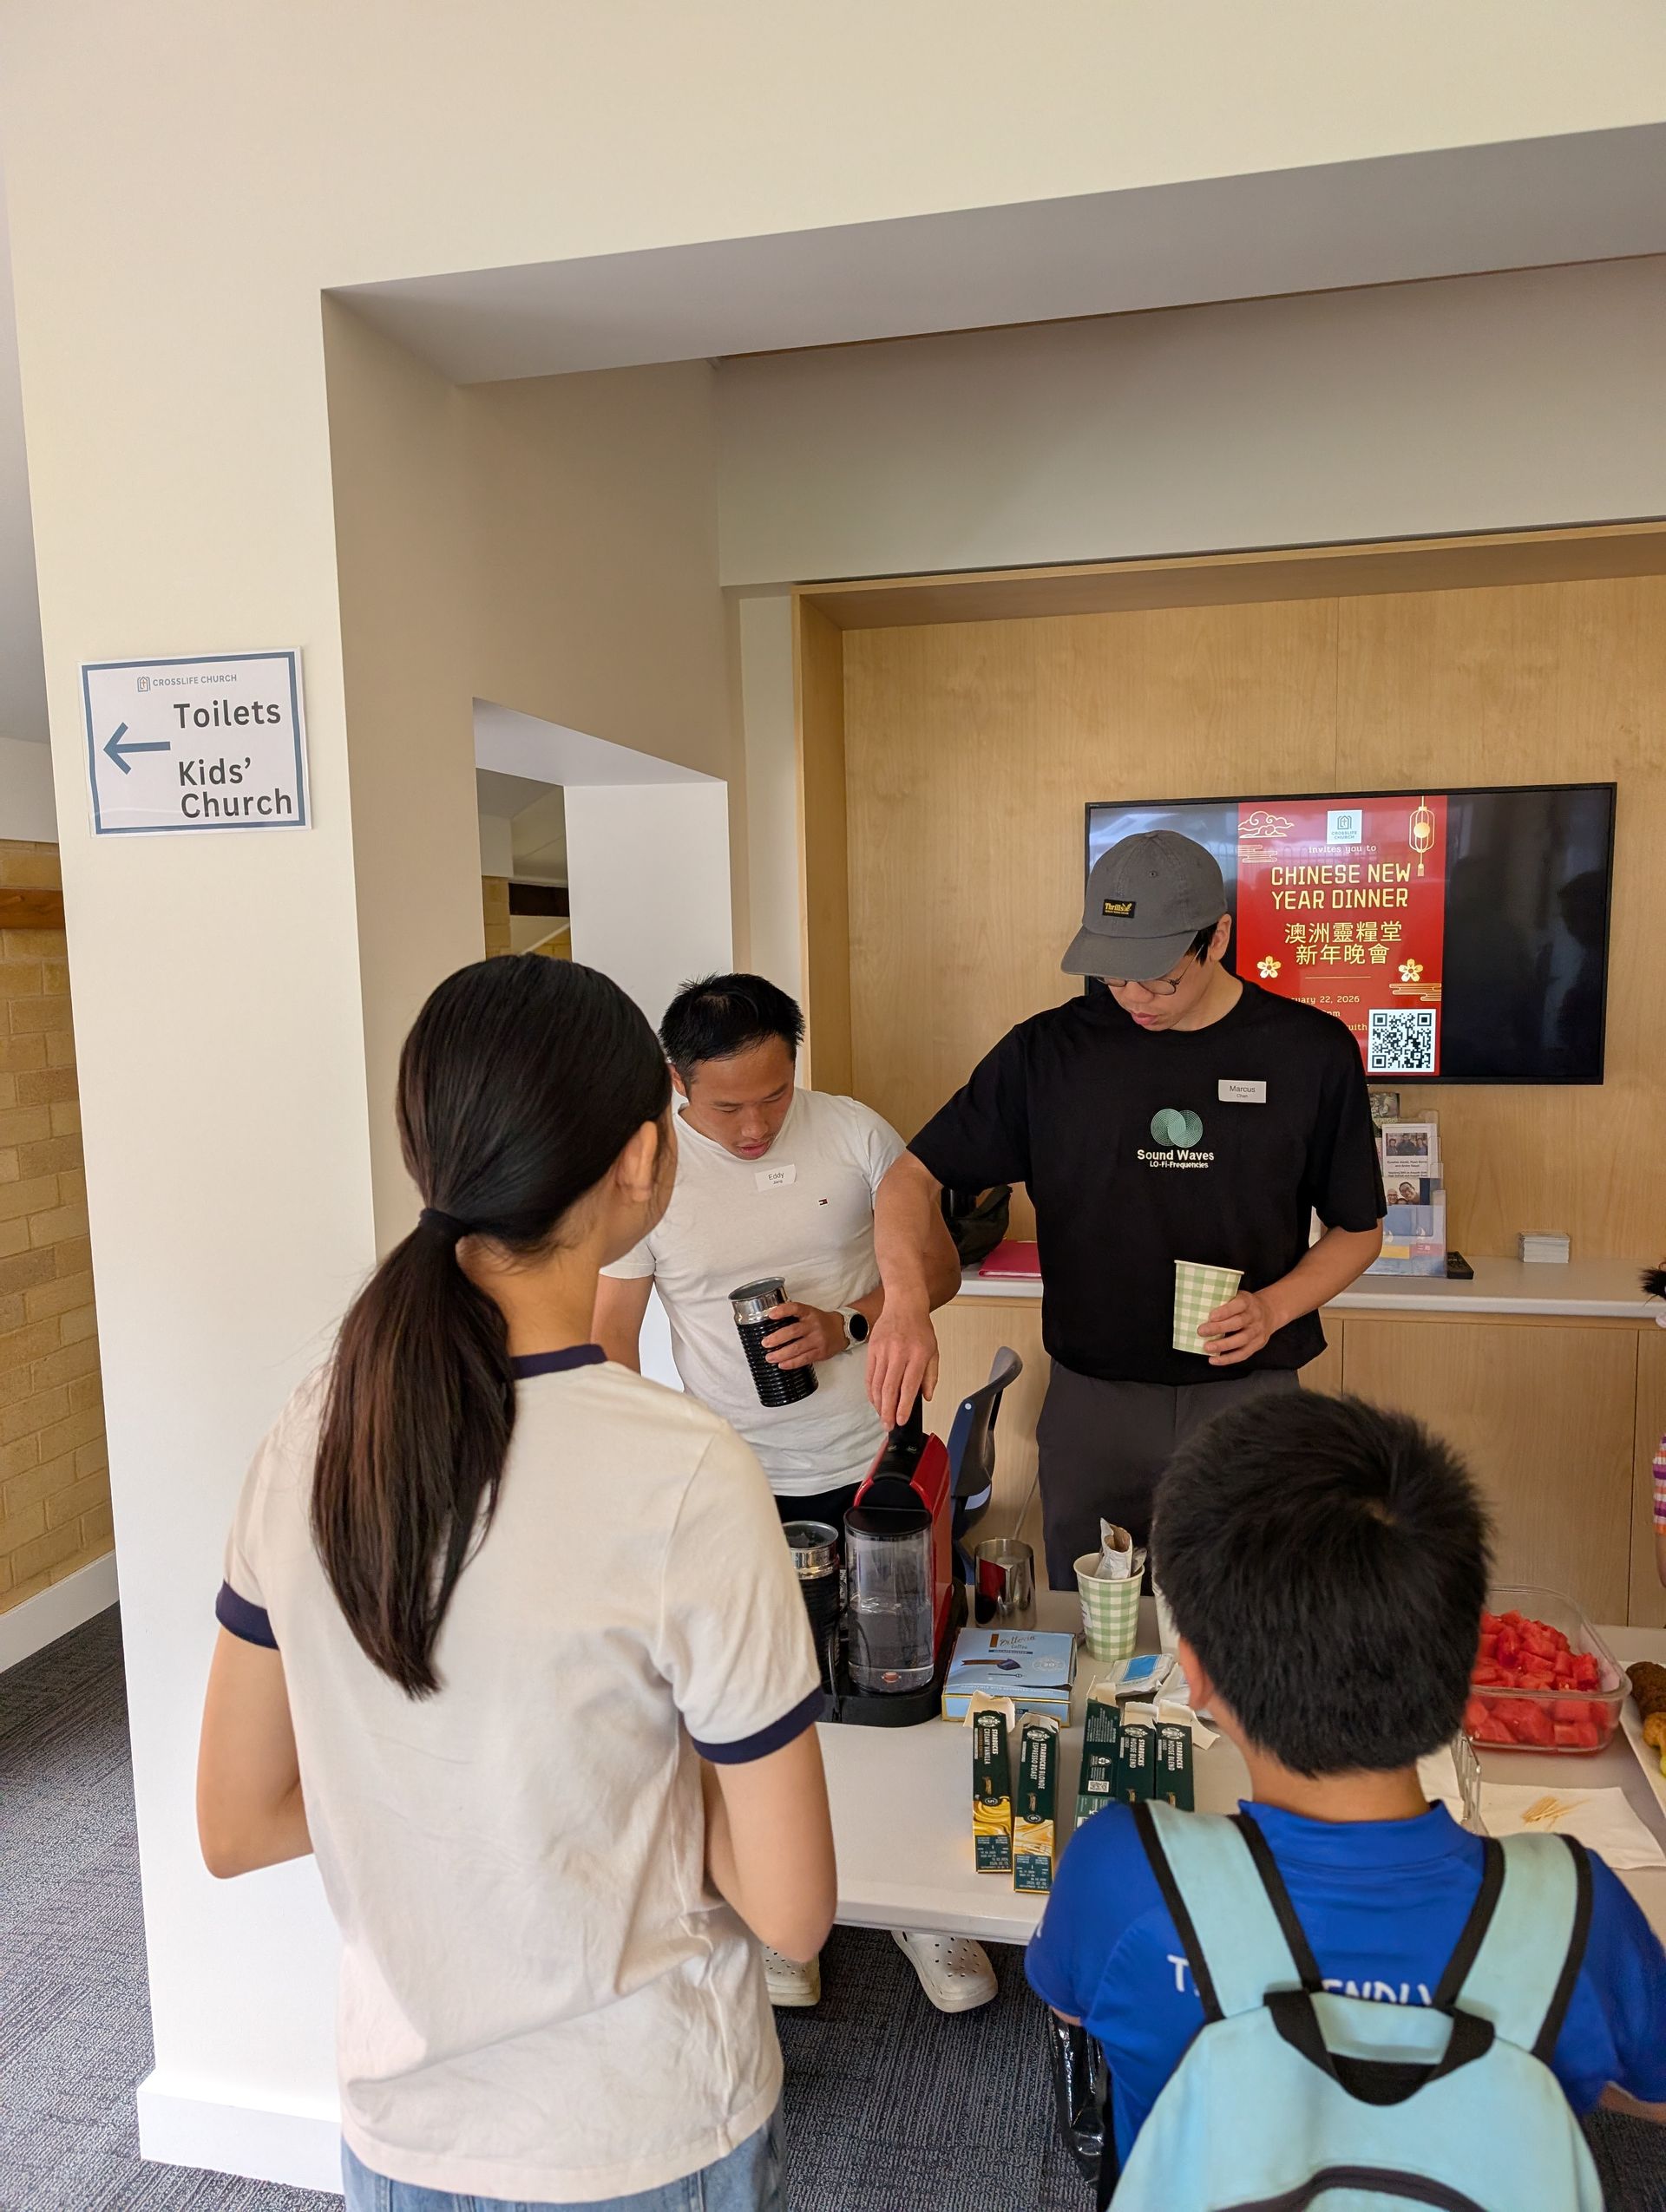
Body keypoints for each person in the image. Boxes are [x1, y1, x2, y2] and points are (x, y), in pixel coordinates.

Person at [197, 956, 836, 2212]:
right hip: (645, 2123)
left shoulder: (311, 1430)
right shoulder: (685, 1468)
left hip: (403, 2135)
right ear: (645, 1158)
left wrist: (462, 1808)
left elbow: (236, 1821)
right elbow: (797, 1913)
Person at [1026, 1389, 1666, 2173]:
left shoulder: (1122, 1868)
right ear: (1459, 1661)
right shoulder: (1577, 1909)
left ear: (1193, 1672)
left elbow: (1070, 2002)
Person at [593, 973, 990, 2016]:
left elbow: (935, 1271)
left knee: (902, 1688)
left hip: (875, 1456)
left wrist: (849, 1323)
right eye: (729, 1106)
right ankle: (785, 1919)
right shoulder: (647, 1176)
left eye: (775, 1093)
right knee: (766, 1703)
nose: (760, 1122)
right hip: (733, 1479)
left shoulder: (854, 1133)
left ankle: (924, 1909)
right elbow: (607, 1341)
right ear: (678, 1086)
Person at [866, 829, 1386, 1587]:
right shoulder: (1050, 1055)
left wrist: (1273, 1308)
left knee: (1254, 1614)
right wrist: (906, 1305)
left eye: (1160, 979)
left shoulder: (1309, 1052)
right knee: (1091, 1631)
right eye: (1114, 977)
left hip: (1247, 1400)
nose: (1135, 998)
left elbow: (1358, 1229)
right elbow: (907, 1179)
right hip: (1092, 1402)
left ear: (1220, 940)